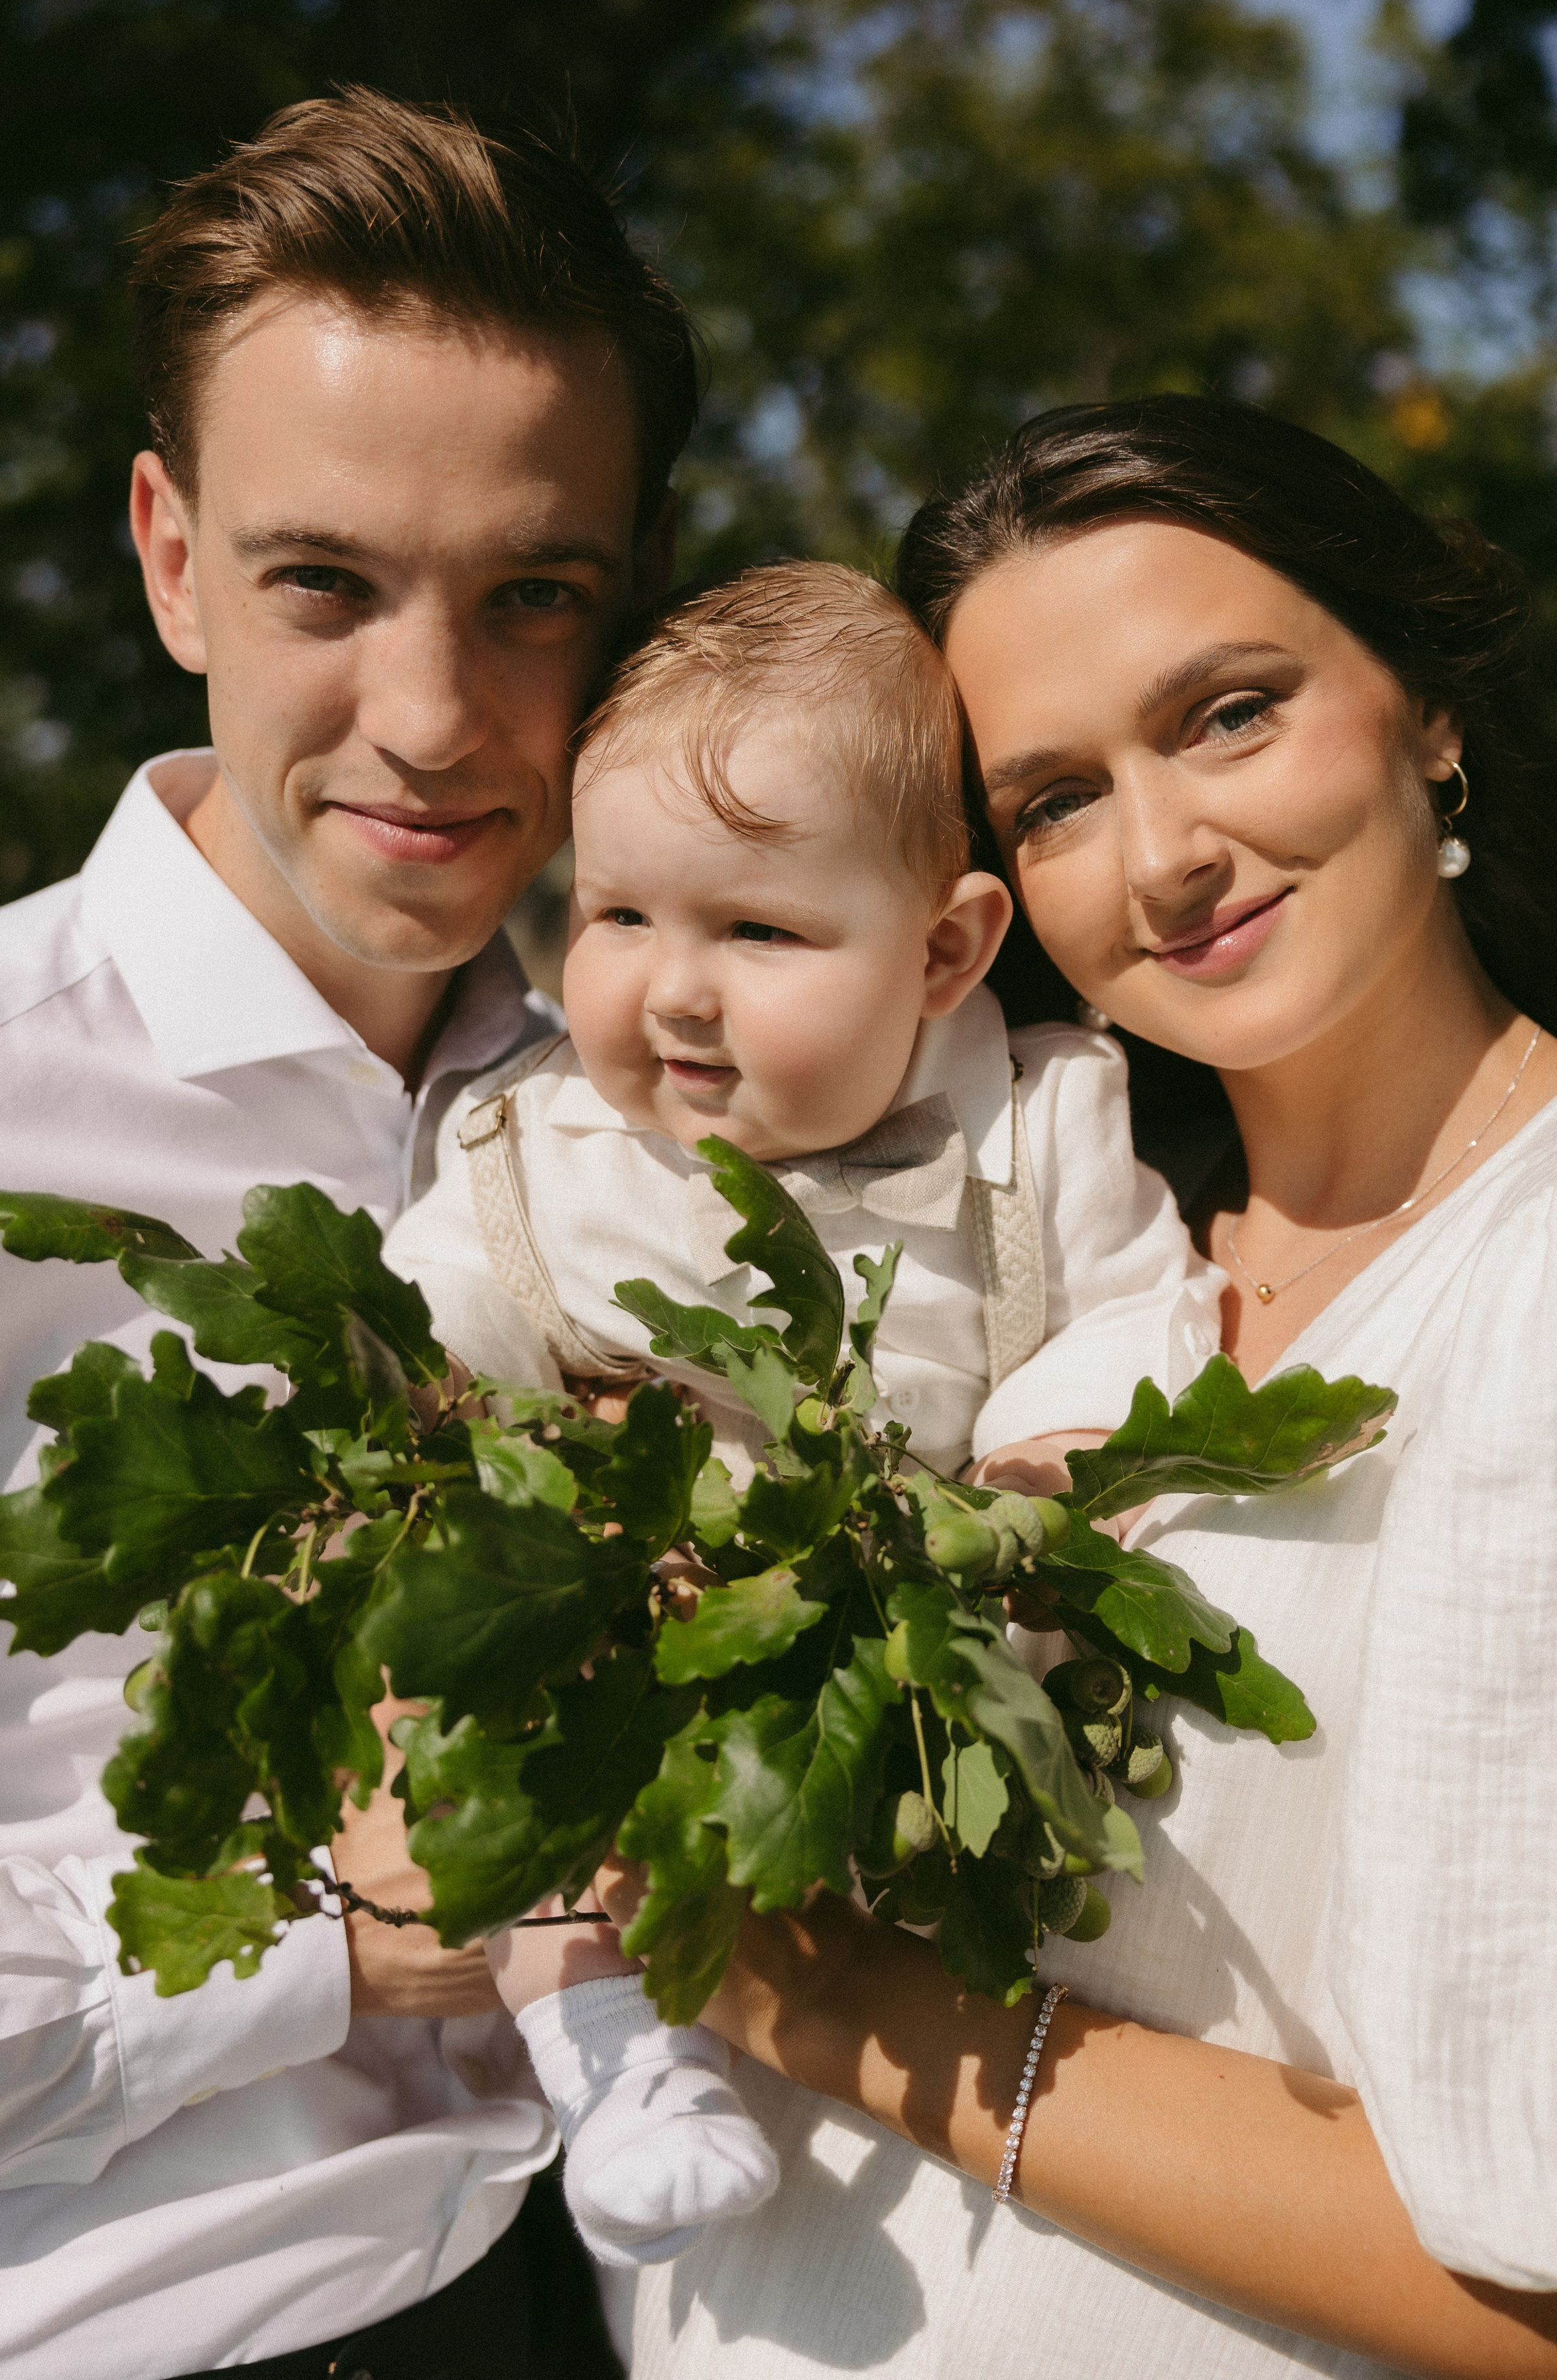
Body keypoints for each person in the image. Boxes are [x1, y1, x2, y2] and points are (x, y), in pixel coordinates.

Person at [602, 398, 1557, 2380]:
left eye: (1230, 713)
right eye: (1058, 798)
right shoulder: (1110, 1318)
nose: (1162, 856)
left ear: (1426, 706)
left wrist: (824, 2007)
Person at [0, 84, 691, 2380]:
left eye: (535, 597)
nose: (438, 720)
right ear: (170, 557)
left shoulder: (660, 1121)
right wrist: (329, 1929)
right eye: (324, 584)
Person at [388, 558, 1220, 2273]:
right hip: (637, 1644)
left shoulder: (1040, 1120)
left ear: (943, 949)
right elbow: (434, 1308)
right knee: (518, 1740)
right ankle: (610, 2052)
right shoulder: (536, 1150)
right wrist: (439, 1422)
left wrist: (1044, 1456)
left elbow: (1143, 1305)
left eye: (757, 930)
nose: (671, 990)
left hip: (916, 1669)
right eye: (618, 915)